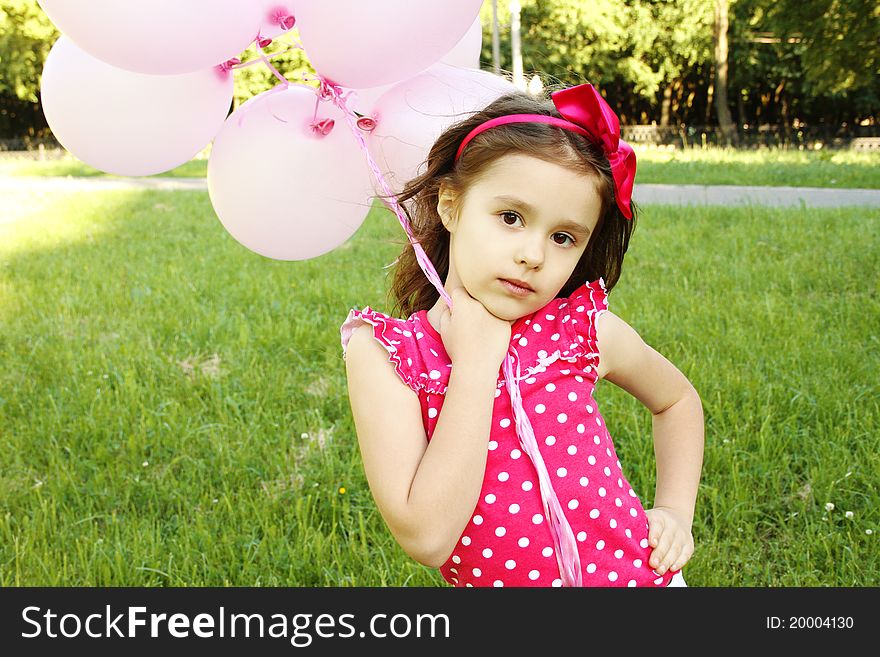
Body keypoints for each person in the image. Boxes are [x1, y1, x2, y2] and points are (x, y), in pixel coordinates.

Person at [340, 82, 704, 587]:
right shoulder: (391, 356)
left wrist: (675, 512)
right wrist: (475, 364)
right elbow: (426, 538)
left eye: (563, 237)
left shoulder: (579, 330)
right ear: (450, 204)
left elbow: (677, 401)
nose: (533, 254)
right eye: (511, 217)